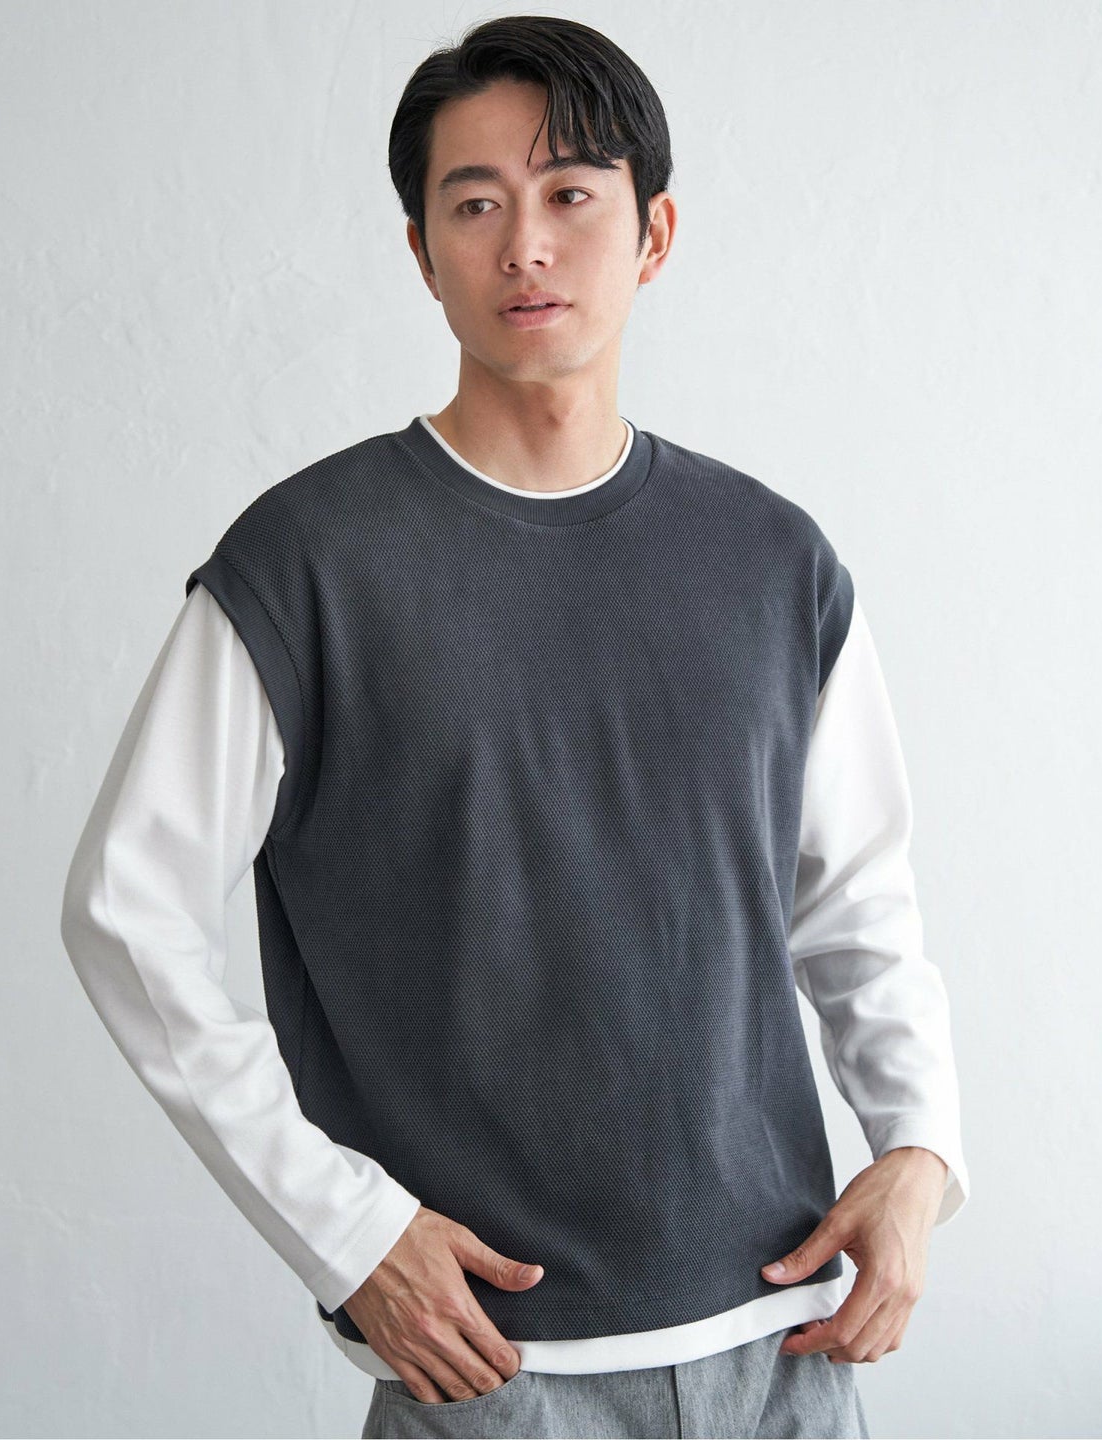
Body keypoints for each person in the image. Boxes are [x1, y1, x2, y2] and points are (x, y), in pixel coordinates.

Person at [59, 15, 970, 1439]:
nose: (525, 246)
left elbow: (855, 906)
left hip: (788, 1346)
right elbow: (126, 911)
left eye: (570, 196)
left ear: (653, 233)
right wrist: (346, 1230)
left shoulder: (772, 560)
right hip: (492, 1373)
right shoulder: (308, 566)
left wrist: (920, 1150)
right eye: (474, 204)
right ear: (423, 253)